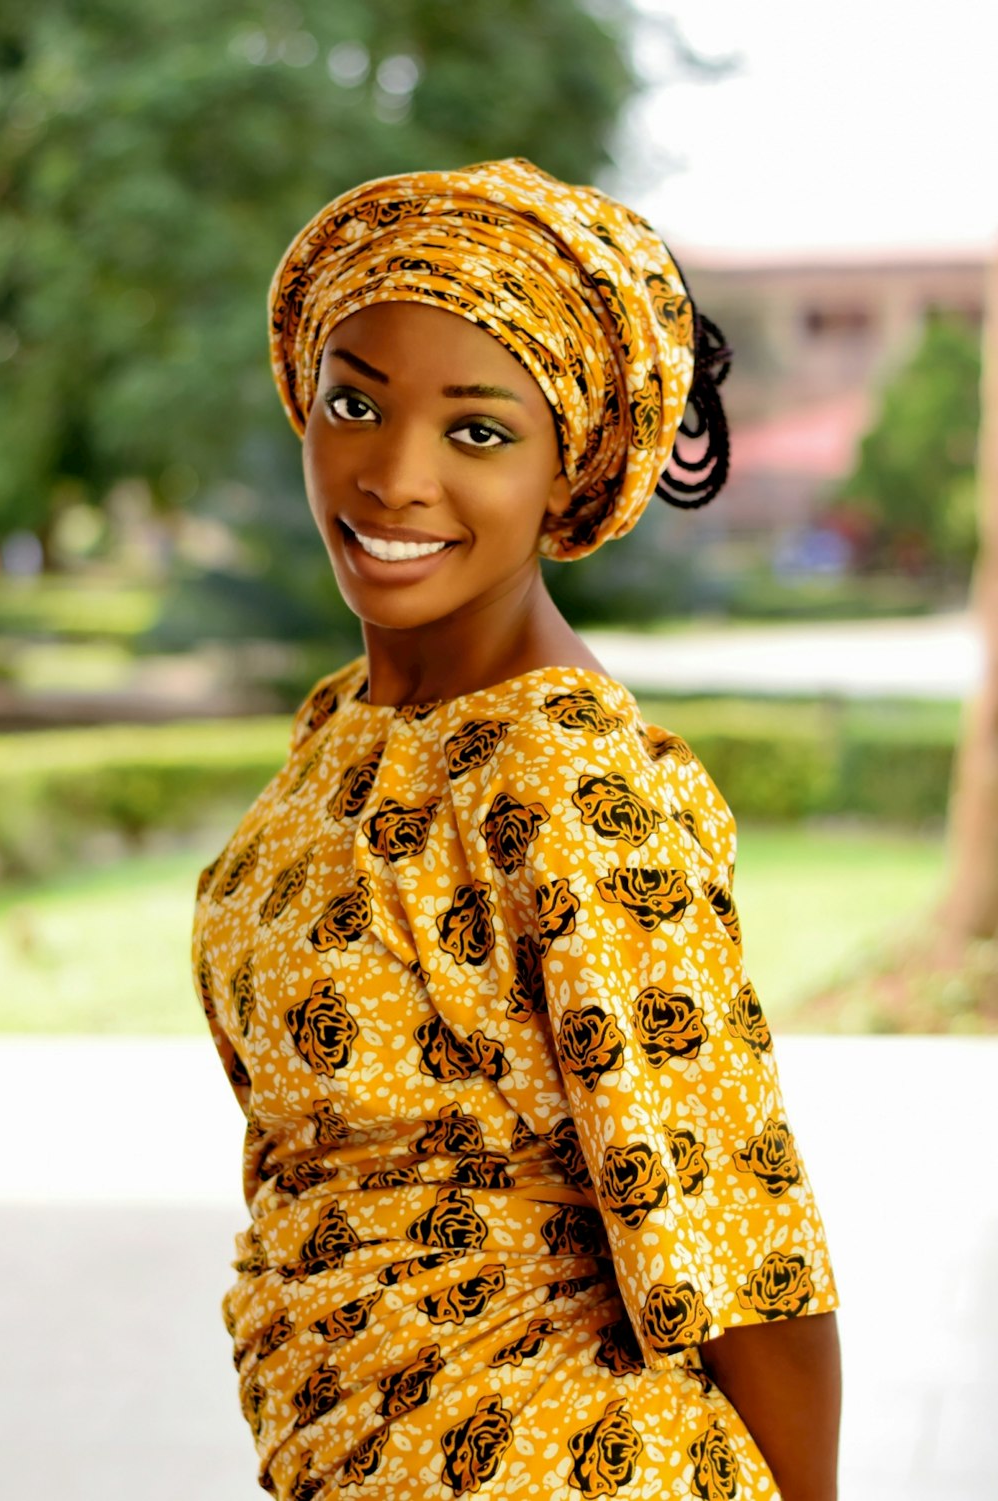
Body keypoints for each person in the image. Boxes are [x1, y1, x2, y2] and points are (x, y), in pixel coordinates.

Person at [193, 158, 840, 1501]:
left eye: (476, 430)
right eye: (354, 402)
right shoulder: (340, 734)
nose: (393, 476)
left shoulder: (563, 780)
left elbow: (743, 1241)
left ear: (571, 467)